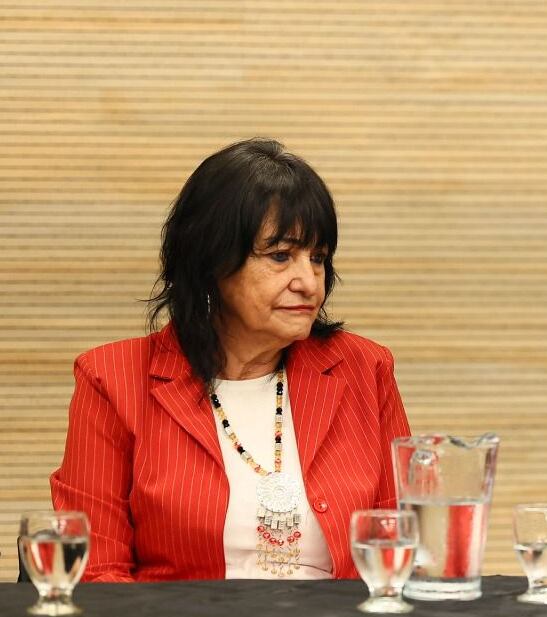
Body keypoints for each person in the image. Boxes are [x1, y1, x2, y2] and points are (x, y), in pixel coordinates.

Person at [51, 138, 410, 582]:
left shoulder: (364, 369)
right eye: (280, 256)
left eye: (317, 258)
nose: (309, 282)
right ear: (211, 262)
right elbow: (97, 572)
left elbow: (405, 546)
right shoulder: (112, 380)